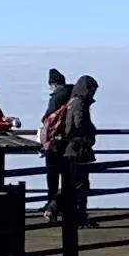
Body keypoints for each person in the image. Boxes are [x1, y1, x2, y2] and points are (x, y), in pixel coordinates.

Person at [42, 73, 98, 234]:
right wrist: (89, 136)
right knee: (79, 183)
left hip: (71, 149)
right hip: (77, 149)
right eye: (92, 90)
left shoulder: (73, 101)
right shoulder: (79, 103)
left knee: (74, 183)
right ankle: (72, 214)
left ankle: (61, 210)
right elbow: (79, 124)